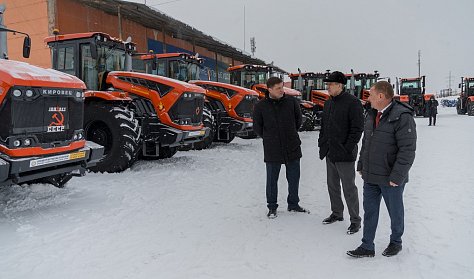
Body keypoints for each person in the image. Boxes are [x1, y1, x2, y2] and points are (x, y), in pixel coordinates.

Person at [347, 81, 417, 258]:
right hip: (371, 175)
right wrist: (362, 164)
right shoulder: (371, 114)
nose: (368, 98)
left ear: (380, 96)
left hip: (390, 177)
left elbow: (407, 150)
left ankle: (396, 242)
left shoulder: (402, 116)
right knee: (370, 211)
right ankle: (367, 246)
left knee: (395, 212)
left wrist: (397, 176)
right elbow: (366, 143)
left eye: (370, 94)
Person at [253, 76, 308, 219]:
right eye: (278, 88)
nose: (281, 90)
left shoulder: (292, 102)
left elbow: (298, 121)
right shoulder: (260, 106)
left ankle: (293, 204)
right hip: (272, 148)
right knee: (272, 180)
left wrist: (289, 133)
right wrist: (271, 138)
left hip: (292, 146)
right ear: (269, 89)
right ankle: (272, 207)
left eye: (282, 87)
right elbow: (258, 127)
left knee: (294, 178)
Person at [318, 71, 364, 234]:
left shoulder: (353, 103)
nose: (327, 87)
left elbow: (357, 128)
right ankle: (337, 213)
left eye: (330, 85)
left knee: (349, 187)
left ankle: (355, 220)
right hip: (330, 151)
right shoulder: (328, 103)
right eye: (327, 85)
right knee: (332, 185)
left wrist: (347, 147)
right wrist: (321, 143)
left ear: (339, 85)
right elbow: (324, 126)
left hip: (344, 154)